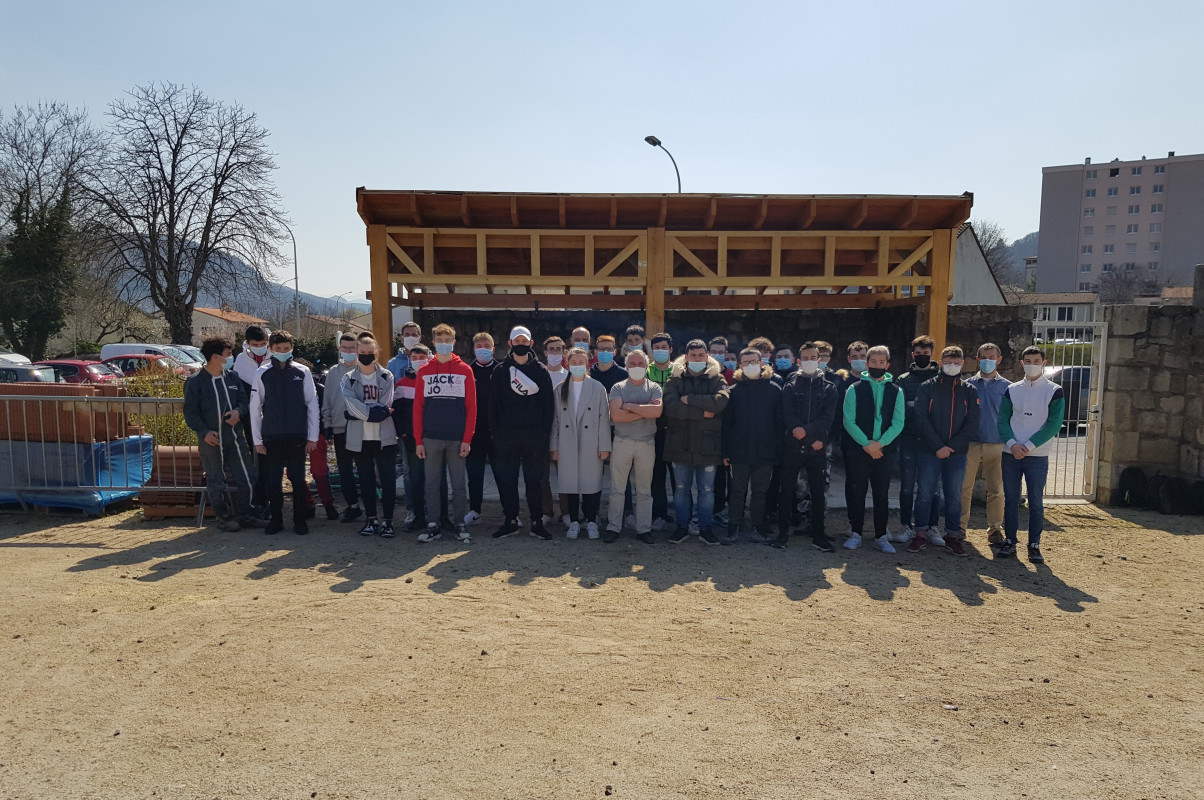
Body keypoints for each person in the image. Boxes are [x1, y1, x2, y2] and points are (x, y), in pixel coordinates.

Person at [183, 336, 262, 532]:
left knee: (247, 475)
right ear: (216, 357)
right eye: (228, 354)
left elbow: (244, 402)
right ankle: (223, 517)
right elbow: (190, 412)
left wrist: (238, 412)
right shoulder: (195, 382)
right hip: (211, 440)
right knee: (216, 479)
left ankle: (246, 514)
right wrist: (204, 432)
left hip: (235, 438)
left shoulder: (233, 377)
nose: (231, 357)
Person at [907, 346, 980, 556]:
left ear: (963, 364)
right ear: (941, 362)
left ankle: (952, 536)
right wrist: (938, 446)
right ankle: (920, 534)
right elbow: (921, 419)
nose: (952, 365)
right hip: (929, 451)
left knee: (954, 496)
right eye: (948, 361)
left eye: (957, 362)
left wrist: (952, 447)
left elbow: (972, 423)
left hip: (957, 454)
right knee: (924, 494)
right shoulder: (927, 387)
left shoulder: (969, 390)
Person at [996, 346, 1065, 563]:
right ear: (1021, 363)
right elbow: (1002, 421)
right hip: (1011, 453)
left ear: (1044, 363)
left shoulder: (1054, 390)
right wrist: (1012, 444)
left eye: (1036, 360)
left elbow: (1053, 425)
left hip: (1037, 455)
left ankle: (1034, 544)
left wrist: (1028, 445)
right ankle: (1010, 541)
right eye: (1028, 360)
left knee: (1035, 501)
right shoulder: (1012, 389)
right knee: (1011, 499)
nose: (1032, 363)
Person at [249, 330, 319, 535]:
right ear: (271, 349)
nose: (282, 351)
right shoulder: (262, 373)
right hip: (272, 435)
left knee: (298, 480)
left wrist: (312, 436)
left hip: (297, 435)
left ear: (292, 349)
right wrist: (257, 440)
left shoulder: (302, 372)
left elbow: (312, 404)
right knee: (274, 481)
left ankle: (299, 521)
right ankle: (276, 521)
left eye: (286, 348)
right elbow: (255, 408)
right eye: (278, 349)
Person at [490, 326, 555, 539]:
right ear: (509, 343)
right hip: (506, 438)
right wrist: (497, 434)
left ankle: (537, 522)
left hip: (534, 438)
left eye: (524, 341)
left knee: (534, 481)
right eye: (516, 340)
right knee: (507, 480)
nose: (520, 344)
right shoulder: (500, 371)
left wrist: (542, 434)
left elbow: (548, 407)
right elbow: (494, 405)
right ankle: (510, 520)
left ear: (531, 343)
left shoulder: (541, 371)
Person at [663, 339, 730, 545]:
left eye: (701, 355)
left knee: (707, 490)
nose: (697, 359)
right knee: (681, 488)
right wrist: (704, 412)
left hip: (707, 445)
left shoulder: (717, 379)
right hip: (679, 443)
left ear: (707, 356)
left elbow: (720, 402)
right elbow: (672, 408)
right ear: (686, 357)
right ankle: (681, 527)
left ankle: (705, 528)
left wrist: (689, 399)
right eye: (693, 355)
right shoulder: (673, 381)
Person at [412, 323, 475, 543]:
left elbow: (471, 408)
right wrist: (418, 440)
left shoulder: (465, 370)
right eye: (440, 340)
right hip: (430, 438)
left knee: (458, 484)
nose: (444, 344)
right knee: (431, 483)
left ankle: (459, 523)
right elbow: (418, 407)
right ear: (433, 343)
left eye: (448, 341)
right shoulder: (424, 371)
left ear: (454, 343)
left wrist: (467, 438)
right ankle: (433, 524)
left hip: (457, 438)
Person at [841, 345, 905, 552]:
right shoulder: (854, 389)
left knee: (881, 493)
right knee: (857, 490)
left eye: (881, 362)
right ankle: (856, 532)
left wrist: (880, 444)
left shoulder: (896, 391)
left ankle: (880, 535)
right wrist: (867, 444)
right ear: (867, 364)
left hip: (884, 451)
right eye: (873, 362)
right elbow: (849, 421)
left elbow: (898, 422)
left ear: (887, 365)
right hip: (859, 449)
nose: (877, 365)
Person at [776, 341, 838, 551]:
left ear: (819, 360)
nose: (810, 361)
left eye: (814, 358)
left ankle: (818, 534)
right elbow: (787, 413)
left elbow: (828, 418)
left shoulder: (830, 388)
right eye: (806, 358)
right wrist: (797, 430)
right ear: (799, 361)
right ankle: (782, 534)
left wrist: (812, 435)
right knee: (786, 492)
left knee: (818, 493)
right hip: (792, 445)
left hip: (817, 447)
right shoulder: (790, 386)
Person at [339, 335, 399, 537]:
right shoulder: (347, 378)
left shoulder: (386, 376)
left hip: (385, 438)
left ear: (376, 352)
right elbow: (349, 402)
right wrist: (374, 413)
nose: (366, 356)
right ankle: (371, 519)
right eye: (362, 353)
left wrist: (361, 413)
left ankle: (388, 521)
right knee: (365, 480)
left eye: (369, 353)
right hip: (360, 439)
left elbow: (386, 404)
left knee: (388, 480)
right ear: (356, 353)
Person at [721, 347, 782, 544]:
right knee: (737, 492)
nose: (750, 366)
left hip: (765, 452)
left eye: (754, 361)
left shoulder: (774, 390)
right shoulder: (733, 392)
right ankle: (733, 527)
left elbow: (779, 424)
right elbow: (727, 425)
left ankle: (758, 527)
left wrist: (777, 451)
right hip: (739, 452)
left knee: (760, 492)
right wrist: (725, 451)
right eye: (746, 362)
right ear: (740, 365)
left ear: (762, 363)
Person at [550, 348, 612, 539]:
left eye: (581, 362)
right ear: (567, 364)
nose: (577, 365)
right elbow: (555, 420)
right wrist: (554, 445)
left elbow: (604, 418)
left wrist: (604, 446)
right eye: (573, 362)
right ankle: (574, 521)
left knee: (591, 483)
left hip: (591, 441)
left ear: (587, 364)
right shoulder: (560, 388)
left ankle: (592, 521)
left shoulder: (597, 387)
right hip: (567, 442)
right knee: (570, 484)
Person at [606, 349, 662, 544]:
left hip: (647, 443)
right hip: (622, 441)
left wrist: (629, 406)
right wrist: (643, 411)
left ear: (647, 366)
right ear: (627, 366)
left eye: (640, 364)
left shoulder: (654, 387)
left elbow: (657, 411)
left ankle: (643, 529)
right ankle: (613, 527)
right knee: (617, 488)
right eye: (632, 364)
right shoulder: (618, 388)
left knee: (645, 489)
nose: (636, 367)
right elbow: (616, 416)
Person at [895, 335, 942, 542]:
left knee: (932, 488)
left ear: (932, 354)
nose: (922, 356)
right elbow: (899, 408)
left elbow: (940, 408)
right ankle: (906, 526)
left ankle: (932, 526)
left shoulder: (941, 378)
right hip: (908, 439)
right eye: (918, 353)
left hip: (933, 442)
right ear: (913, 354)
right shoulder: (903, 379)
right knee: (906, 486)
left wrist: (917, 405)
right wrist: (919, 407)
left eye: (926, 353)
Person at [962, 343, 1009, 546]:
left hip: (998, 444)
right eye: (983, 357)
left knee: (996, 490)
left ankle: (996, 529)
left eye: (992, 357)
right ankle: (959, 527)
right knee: (964, 488)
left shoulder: (1009, 387)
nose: (987, 360)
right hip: (971, 443)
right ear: (977, 359)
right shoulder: (967, 385)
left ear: (999, 359)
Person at [322, 333, 362, 523]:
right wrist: (327, 425)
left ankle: (370, 506)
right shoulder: (333, 373)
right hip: (340, 427)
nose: (348, 351)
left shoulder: (366, 370)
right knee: (345, 470)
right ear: (339, 349)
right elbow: (327, 400)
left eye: (352, 348)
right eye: (344, 348)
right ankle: (352, 505)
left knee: (364, 468)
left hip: (363, 427)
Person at [465, 331, 498, 526]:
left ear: (493, 349)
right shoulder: (467, 371)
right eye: (479, 347)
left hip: (496, 432)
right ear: (473, 349)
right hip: (474, 432)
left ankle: (510, 512)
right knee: (474, 474)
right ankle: (475, 510)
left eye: (487, 346)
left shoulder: (502, 371)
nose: (483, 349)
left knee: (502, 473)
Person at [539, 335, 570, 526]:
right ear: (545, 352)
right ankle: (546, 511)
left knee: (564, 473)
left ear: (564, 352)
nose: (555, 353)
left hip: (564, 432)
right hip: (542, 431)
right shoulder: (539, 374)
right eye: (552, 349)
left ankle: (566, 512)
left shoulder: (569, 376)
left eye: (559, 349)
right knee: (542, 475)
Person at [647, 332, 675, 531]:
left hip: (676, 431)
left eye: (664, 347)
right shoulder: (645, 371)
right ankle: (659, 513)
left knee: (678, 477)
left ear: (671, 349)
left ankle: (683, 516)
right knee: (656, 476)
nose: (660, 351)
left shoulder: (680, 371)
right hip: (653, 430)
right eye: (656, 348)